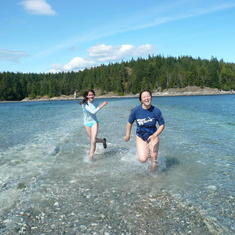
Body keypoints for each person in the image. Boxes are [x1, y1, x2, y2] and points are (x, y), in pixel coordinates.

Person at [123, 90, 165, 172]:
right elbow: (129, 123)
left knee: (153, 159)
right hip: (140, 136)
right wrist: (127, 135)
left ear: (151, 98)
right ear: (141, 100)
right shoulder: (136, 110)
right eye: (144, 97)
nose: (146, 98)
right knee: (143, 159)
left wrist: (154, 135)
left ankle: (152, 179)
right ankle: (146, 152)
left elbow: (162, 125)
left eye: (148, 96)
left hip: (153, 135)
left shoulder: (156, 111)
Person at [80, 89, 108, 159]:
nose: (91, 96)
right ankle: (103, 141)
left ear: (94, 95)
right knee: (93, 139)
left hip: (94, 122)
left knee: (93, 141)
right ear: (87, 96)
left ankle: (91, 158)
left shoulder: (96, 103)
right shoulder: (84, 104)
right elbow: (93, 112)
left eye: (92, 95)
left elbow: (94, 112)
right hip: (86, 123)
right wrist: (102, 105)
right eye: (89, 95)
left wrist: (100, 106)